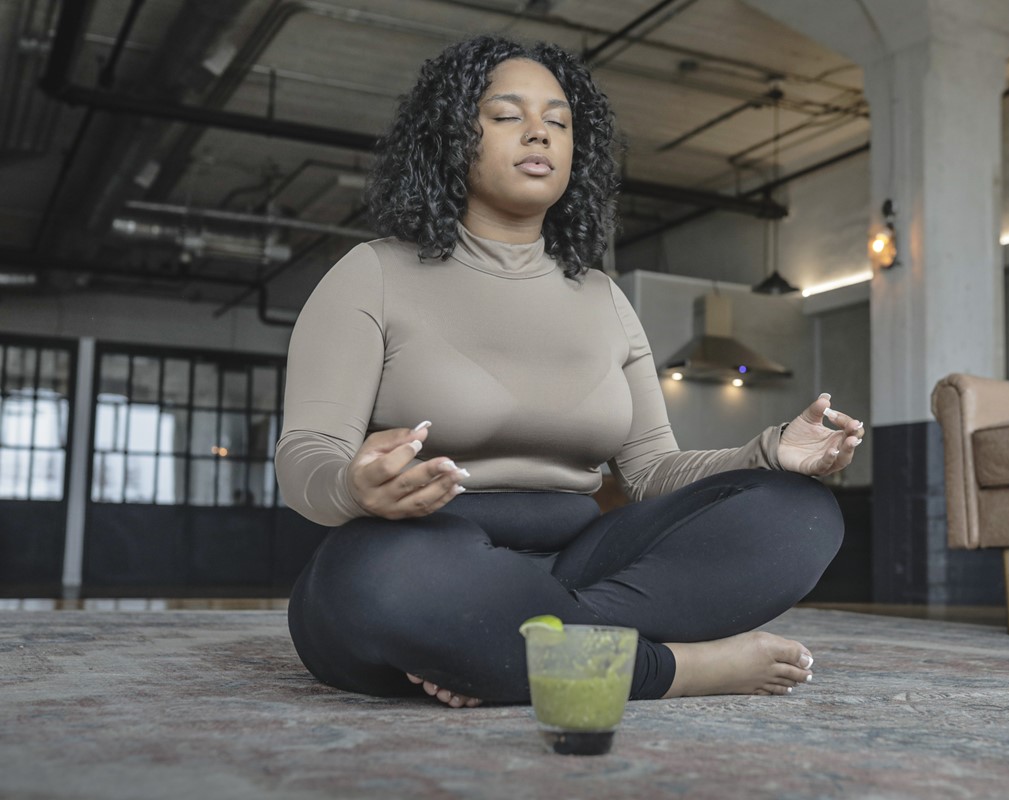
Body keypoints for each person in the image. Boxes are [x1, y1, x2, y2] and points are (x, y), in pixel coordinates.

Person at [276, 35, 864, 710]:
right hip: (429, 552)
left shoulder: (604, 299)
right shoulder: (371, 275)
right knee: (378, 582)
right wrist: (354, 487)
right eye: (506, 115)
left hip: (585, 554)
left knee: (801, 515)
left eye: (559, 122)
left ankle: (502, 652)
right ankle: (675, 669)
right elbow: (305, 456)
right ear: (448, 136)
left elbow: (651, 472)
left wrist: (768, 452)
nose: (539, 134)